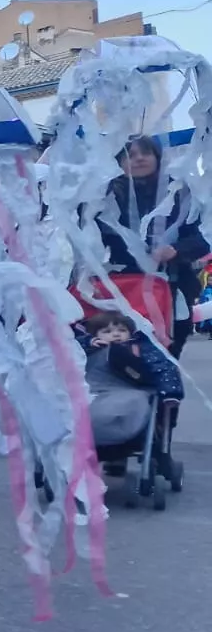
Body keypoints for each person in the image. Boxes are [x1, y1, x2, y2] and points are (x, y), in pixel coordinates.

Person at [100, 135, 211, 359]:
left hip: (173, 285)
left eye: (146, 153)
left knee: (169, 350)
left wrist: (176, 250)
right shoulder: (106, 196)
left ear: (158, 157)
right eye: (130, 155)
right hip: (125, 286)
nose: (139, 159)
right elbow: (96, 236)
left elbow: (202, 237)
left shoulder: (180, 192)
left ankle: (165, 392)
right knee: (126, 352)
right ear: (119, 162)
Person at [80, 311, 183, 446]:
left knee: (123, 406)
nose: (116, 334)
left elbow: (162, 368)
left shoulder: (140, 348)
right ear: (94, 335)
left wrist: (171, 393)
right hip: (93, 390)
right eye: (107, 331)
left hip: (129, 390)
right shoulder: (88, 350)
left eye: (122, 330)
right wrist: (87, 343)